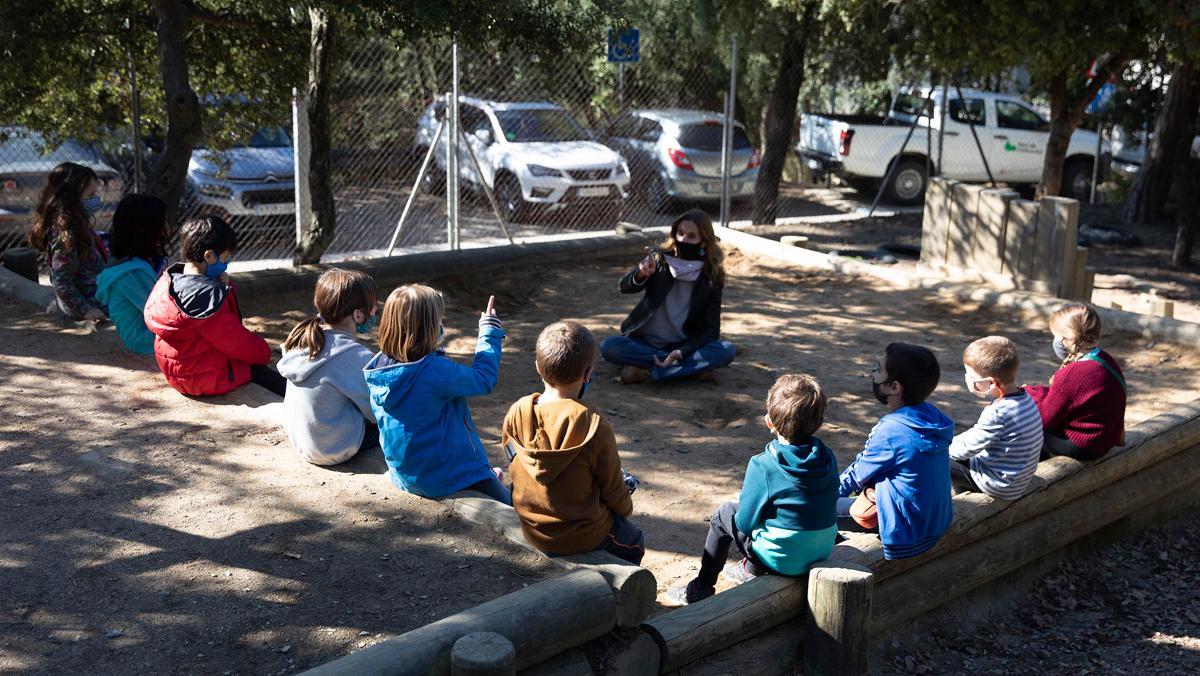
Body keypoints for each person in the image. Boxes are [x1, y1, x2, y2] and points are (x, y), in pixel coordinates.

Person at [665, 373, 839, 606]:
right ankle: (750, 569)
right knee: (783, 514)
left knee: (724, 513)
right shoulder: (828, 457)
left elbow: (745, 524)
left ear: (769, 421)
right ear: (819, 423)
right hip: (821, 551)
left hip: (782, 561)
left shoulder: (764, 465)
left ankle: (700, 589)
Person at [502, 321, 645, 564]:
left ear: (538, 367)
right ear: (588, 374)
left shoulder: (517, 411)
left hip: (532, 526)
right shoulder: (595, 426)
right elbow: (613, 491)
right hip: (581, 535)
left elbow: (514, 465)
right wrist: (626, 508)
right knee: (634, 541)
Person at [364, 284, 510, 503]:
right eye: (439, 320)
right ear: (429, 328)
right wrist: (489, 332)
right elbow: (483, 380)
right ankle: (487, 478)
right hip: (445, 476)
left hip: (405, 474)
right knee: (511, 505)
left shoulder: (379, 368)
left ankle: (487, 475)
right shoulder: (436, 371)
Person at [143, 215, 286, 397]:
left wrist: (221, 285)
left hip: (178, 372)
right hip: (205, 378)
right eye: (225, 258)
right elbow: (236, 342)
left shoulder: (170, 280)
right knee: (268, 375)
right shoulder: (207, 299)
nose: (226, 264)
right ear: (209, 256)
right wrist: (264, 353)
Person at [837, 343, 954, 560]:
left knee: (816, 509)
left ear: (894, 387)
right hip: (936, 523)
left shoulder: (891, 430)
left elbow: (856, 475)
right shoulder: (934, 418)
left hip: (906, 532)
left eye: (879, 370)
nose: (874, 374)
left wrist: (820, 497)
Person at [600, 209, 736, 383]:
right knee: (610, 347)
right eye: (680, 233)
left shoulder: (712, 275)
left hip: (683, 345)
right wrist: (641, 274)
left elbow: (711, 331)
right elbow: (623, 287)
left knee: (726, 350)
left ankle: (651, 370)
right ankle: (685, 369)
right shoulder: (659, 259)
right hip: (645, 342)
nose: (683, 240)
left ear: (703, 241)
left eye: (691, 236)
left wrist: (681, 352)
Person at [277, 268, 380, 466]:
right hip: (333, 448)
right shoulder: (355, 356)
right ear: (358, 315)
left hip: (303, 441)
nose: (375, 313)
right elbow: (376, 414)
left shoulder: (303, 339)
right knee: (396, 422)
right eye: (373, 308)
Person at [1026, 303, 1126, 461]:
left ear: (1067, 338)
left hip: (1086, 446)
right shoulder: (1104, 358)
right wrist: (1037, 392)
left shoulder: (1071, 374)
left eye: (1056, 336)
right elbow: (1069, 397)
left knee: (1024, 425)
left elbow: (1045, 418)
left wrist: (1029, 394)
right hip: (1106, 437)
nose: (1055, 341)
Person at [948, 336, 1043, 500]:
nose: (967, 379)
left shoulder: (999, 412)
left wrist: (942, 447)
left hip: (999, 484)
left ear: (991, 383)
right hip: (1016, 479)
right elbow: (975, 436)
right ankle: (963, 494)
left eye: (970, 376)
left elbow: (966, 449)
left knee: (935, 459)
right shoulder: (1025, 397)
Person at [28, 161, 109, 321]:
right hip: (88, 303)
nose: (97, 200)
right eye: (90, 195)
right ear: (71, 198)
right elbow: (62, 282)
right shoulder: (65, 234)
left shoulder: (78, 224)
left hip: (95, 295)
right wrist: (86, 310)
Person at [96, 194, 170, 355]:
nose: (167, 228)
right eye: (162, 222)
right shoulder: (132, 272)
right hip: (144, 341)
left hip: (147, 335)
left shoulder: (134, 261)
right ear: (146, 229)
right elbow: (159, 313)